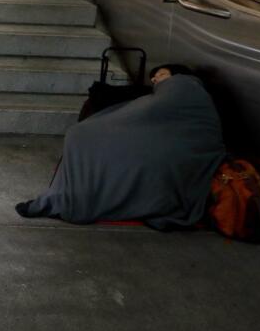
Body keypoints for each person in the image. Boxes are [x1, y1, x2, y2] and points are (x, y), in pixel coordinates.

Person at [14, 63, 225, 229]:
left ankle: (75, 198)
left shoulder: (183, 84)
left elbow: (147, 114)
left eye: (159, 74)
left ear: (175, 73)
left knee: (81, 136)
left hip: (182, 149)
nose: (154, 79)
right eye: (153, 77)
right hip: (178, 148)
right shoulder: (180, 91)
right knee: (84, 136)